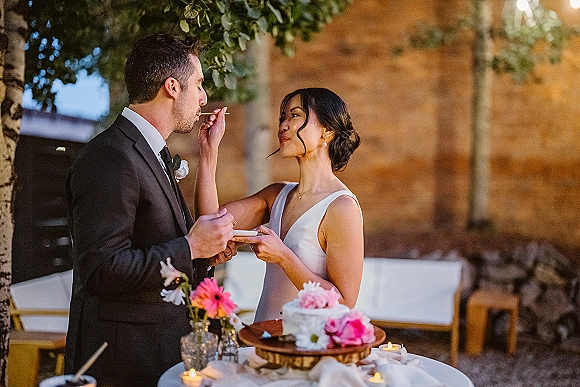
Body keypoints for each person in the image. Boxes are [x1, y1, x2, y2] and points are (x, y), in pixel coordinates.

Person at [64, 34, 236, 387]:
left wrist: (202, 254)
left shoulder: (148, 152)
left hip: (158, 352)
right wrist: (191, 247)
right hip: (123, 360)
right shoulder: (110, 156)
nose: (203, 97)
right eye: (199, 84)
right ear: (172, 87)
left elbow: (158, 245)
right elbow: (102, 269)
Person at [195, 87, 363, 322]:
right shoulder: (276, 196)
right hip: (262, 344)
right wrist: (209, 151)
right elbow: (210, 224)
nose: (283, 126)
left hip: (308, 351)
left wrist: (283, 256)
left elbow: (344, 302)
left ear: (327, 131)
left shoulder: (341, 207)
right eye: (282, 117)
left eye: (294, 116)